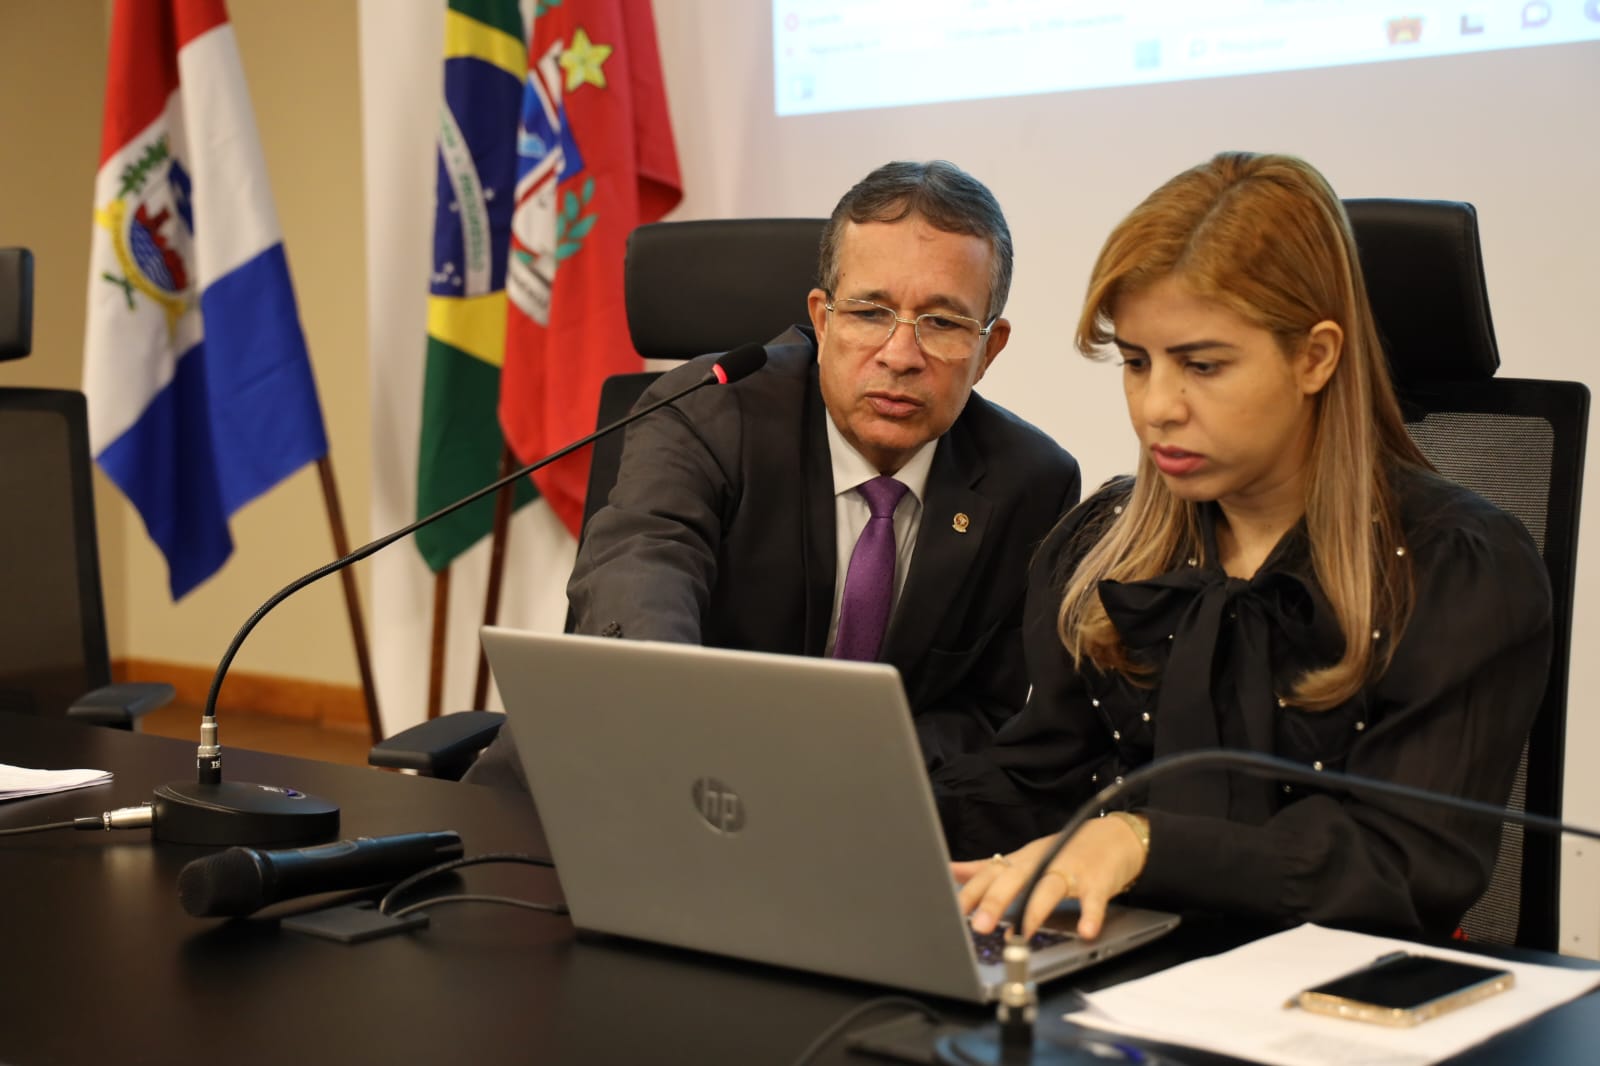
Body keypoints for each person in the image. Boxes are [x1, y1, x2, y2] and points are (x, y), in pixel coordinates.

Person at [938, 151, 1551, 944]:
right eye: (1136, 363)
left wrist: (1143, 843)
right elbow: (1037, 782)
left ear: (1315, 356)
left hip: (1336, 991)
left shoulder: (1457, 569)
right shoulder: (1105, 550)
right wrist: (883, 816)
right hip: (1122, 968)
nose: (1157, 407)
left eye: (1202, 365)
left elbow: (1403, 866)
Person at [466, 160, 1081, 789]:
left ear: (989, 349)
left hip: (855, 803)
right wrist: (724, 749)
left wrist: (845, 768)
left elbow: (985, 712)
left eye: (943, 323)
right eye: (870, 312)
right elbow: (641, 578)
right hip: (627, 770)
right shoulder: (705, 412)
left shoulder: (1029, 484)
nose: (900, 356)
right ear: (823, 320)